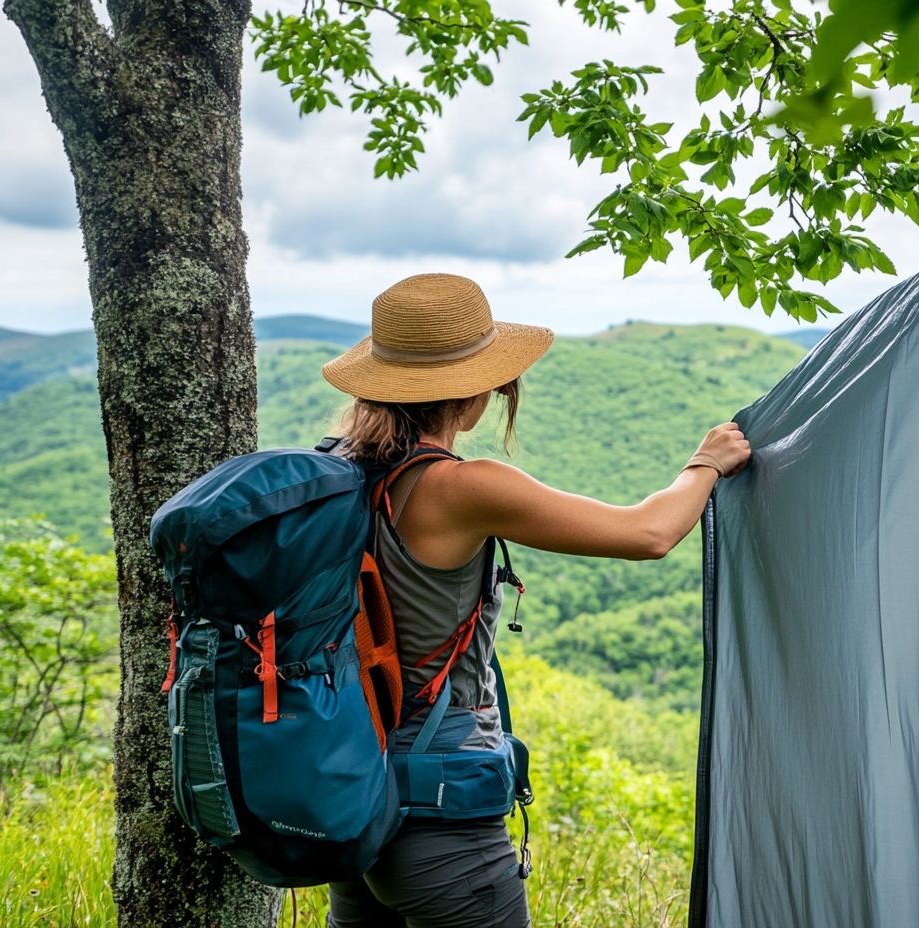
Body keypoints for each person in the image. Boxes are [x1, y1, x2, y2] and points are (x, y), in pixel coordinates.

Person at [319, 272, 750, 928]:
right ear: (475, 393)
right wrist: (706, 463)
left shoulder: (341, 474)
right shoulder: (462, 488)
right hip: (443, 821)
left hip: (356, 802)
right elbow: (649, 532)